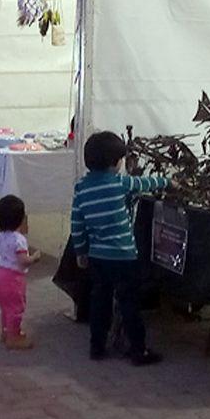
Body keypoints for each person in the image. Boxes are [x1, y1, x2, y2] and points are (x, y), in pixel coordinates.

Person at [70, 131, 168, 365]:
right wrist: (167, 181)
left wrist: (81, 252)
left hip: (97, 257)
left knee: (100, 302)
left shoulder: (81, 188)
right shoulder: (119, 183)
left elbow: (77, 224)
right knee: (130, 303)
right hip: (124, 257)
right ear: (116, 162)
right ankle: (138, 350)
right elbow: (144, 183)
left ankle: (97, 347)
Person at [0, 195, 42, 350]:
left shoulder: (1, 236)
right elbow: (23, 260)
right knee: (16, 307)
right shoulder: (18, 239)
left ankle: (7, 332)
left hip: (0, 275)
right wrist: (34, 258)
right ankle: (13, 338)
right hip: (14, 278)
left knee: (5, 307)